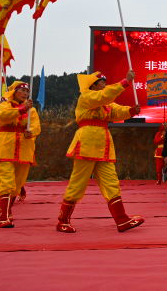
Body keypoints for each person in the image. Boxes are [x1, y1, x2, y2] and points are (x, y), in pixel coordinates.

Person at [57, 70, 144, 233]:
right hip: (87, 144)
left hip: (103, 146)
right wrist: (125, 82)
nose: (105, 84)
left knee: (111, 183)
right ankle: (62, 220)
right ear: (94, 85)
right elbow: (104, 97)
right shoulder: (86, 97)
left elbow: (117, 111)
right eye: (102, 82)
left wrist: (131, 111)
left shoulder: (105, 103)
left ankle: (122, 220)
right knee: (78, 184)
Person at [0, 81, 41, 228]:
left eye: (27, 92)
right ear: (14, 91)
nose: (25, 94)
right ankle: (4, 217)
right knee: (6, 181)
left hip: (24, 148)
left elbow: (36, 126)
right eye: (22, 91)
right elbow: (3, 116)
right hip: (6, 146)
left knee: (18, 184)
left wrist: (31, 132)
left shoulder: (31, 110)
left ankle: (7, 211)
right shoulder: (5, 104)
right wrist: (21, 109)